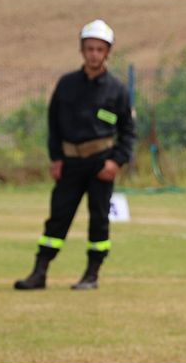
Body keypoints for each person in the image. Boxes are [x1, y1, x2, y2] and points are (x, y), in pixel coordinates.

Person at [13, 20, 135, 291]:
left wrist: (115, 162)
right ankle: (39, 272)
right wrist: (56, 158)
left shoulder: (117, 91)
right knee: (58, 216)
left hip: (101, 163)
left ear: (107, 53)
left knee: (99, 219)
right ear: (82, 50)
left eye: (99, 49)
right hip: (69, 163)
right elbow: (53, 124)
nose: (94, 54)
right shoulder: (67, 85)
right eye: (89, 48)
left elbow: (128, 132)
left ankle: (92, 274)